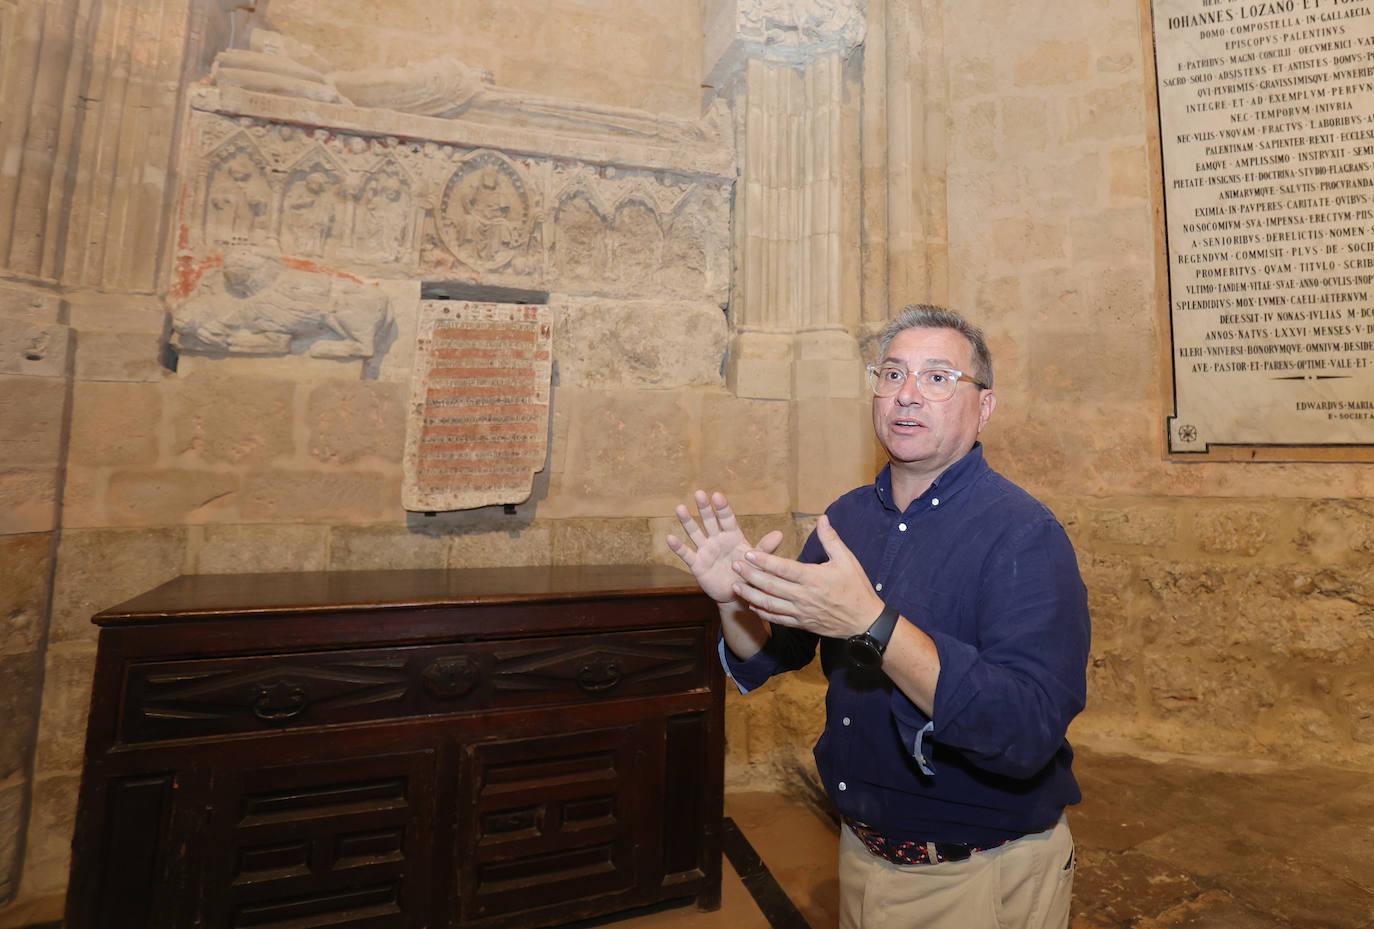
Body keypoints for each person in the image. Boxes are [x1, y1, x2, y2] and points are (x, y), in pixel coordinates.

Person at [667, 305, 1091, 929]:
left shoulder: (1023, 533)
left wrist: (873, 623)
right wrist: (733, 598)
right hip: (862, 854)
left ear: (986, 408)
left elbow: (1025, 729)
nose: (908, 395)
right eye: (892, 374)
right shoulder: (848, 518)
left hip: (979, 872)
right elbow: (776, 650)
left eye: (939, 377)